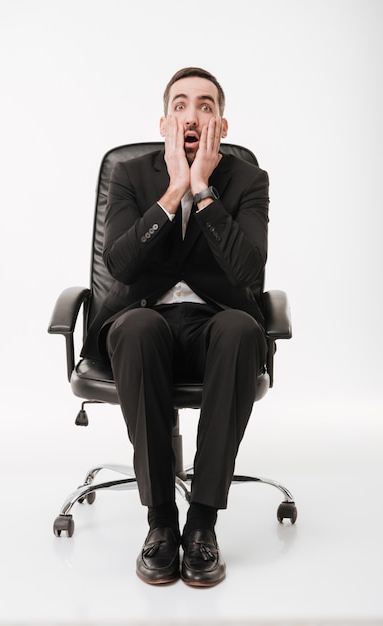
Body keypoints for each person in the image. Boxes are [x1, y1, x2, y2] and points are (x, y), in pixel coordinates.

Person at [81, 67, 269, 587]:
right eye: (181, 105)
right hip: (145, 321)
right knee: (138, 328)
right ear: (164, 122)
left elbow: (249, 273)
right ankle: (162, 523)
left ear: (221, 126)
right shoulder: (131, 174)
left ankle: (202, 524)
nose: (192, 114)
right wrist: (173, 192)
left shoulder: (248, 179)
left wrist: (203, 190)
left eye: (205, 106)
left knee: (238, 329)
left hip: (216, 327)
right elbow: (118, 264)